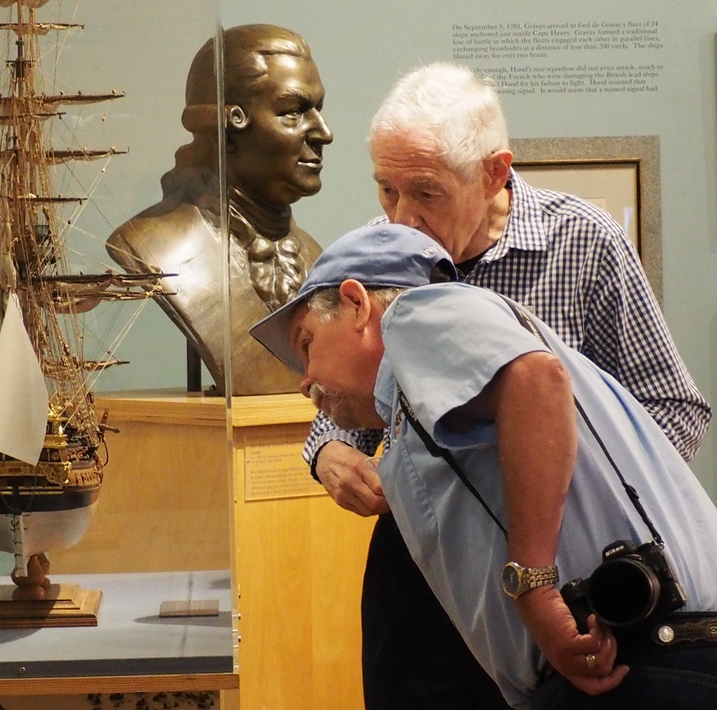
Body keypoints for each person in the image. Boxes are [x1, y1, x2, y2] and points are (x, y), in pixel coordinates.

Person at [301, 63, 711, 709]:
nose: (402, 218)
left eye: (426, 194)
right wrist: (328, 452)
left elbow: (670, 406)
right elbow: (347, 406)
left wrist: (561, 500)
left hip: (570, 572)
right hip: (431, 558)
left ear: (495, 172)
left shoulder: (583, 239)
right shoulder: (378, 255)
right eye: (386, 191)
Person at [251, 220, 717, 710]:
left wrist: (534, 589)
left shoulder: (414, 314)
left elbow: (534, 379)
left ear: (356, 302)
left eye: (306, 345)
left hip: (646, 660)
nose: (306, 381)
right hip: (629, 659)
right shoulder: (417, 398)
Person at [107, 23, 333, 395]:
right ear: (230, 124)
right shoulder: (160, 250)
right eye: (293, 111)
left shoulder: (317, 258)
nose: (324, 132)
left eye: (318, 109)